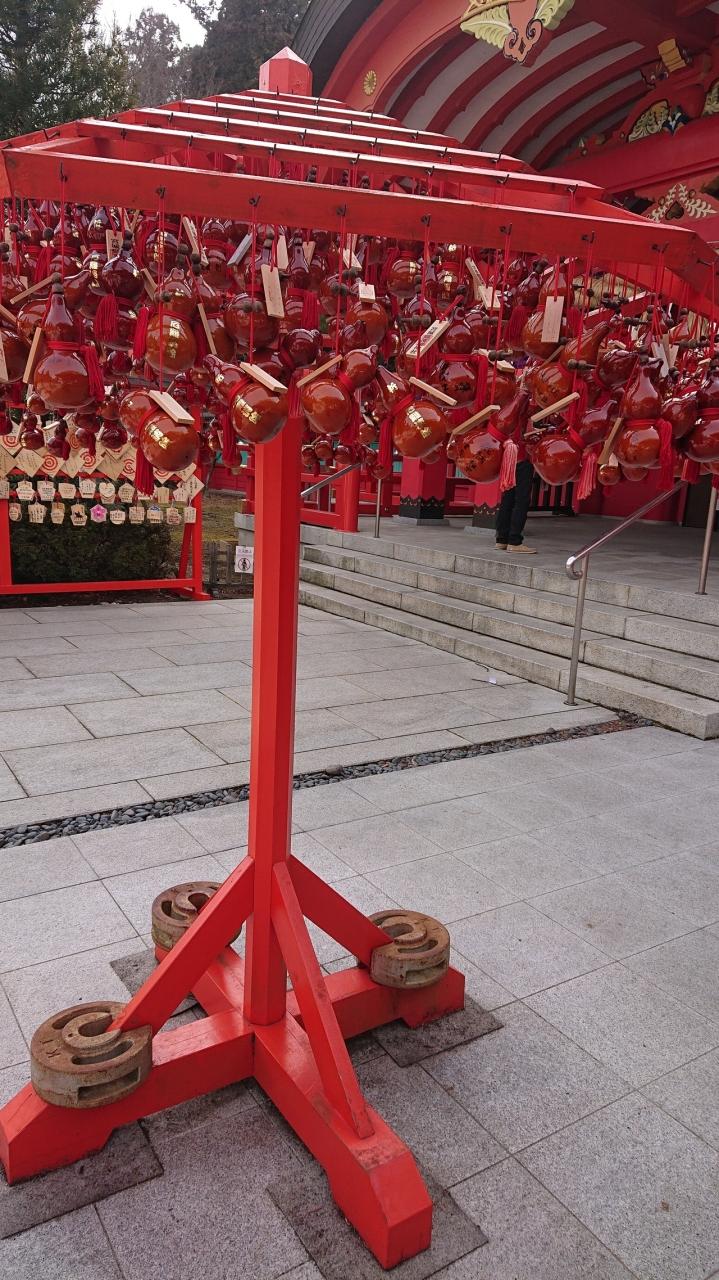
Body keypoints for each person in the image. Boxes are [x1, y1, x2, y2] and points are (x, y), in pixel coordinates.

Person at [495, 420, 536, 553]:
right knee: (521, 501)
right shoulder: (522, 415)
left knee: (507, 499)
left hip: (510, 459)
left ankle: (501, 539)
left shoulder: (507, 417)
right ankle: (514, 541)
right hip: (521, 458)